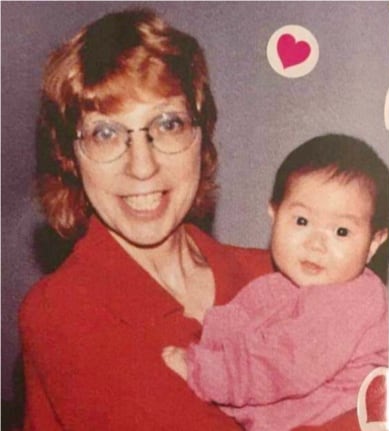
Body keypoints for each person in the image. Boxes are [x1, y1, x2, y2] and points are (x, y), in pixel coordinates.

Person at [18, 9, 275, 430]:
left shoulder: (272, 276)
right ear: (70, 155)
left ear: (200, 134)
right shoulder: (60, 314)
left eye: (168, 124)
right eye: (105, 133)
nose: (142, 167)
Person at [161, 134, 389, 431]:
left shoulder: (353, 299)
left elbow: (287, 364)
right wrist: (206, 336)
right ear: (274, 214)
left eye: (341, 232)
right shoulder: (276, 287)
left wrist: (203, 370)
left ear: (374, 243)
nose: (316, 244)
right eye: (302, 221)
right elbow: (239, 325)